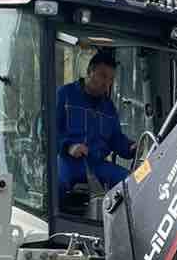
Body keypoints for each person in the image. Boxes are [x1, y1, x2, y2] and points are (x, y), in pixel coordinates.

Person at [56, 49, 136, 197]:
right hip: (69, 162)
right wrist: (68, 146)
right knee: (58, 187)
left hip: (98, 165)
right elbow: (47, 130)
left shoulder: (109, 107)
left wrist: (132, 147)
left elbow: (116, 139)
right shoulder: (64, 95)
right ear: (89, 71)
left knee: (132, 182)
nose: (107, 83)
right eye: (103, 76)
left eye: (111, 79)